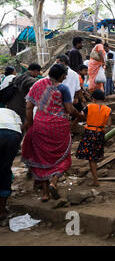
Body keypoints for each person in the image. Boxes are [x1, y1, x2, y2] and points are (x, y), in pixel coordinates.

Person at [21, 64, 84, 202]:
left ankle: (45, 194)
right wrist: (80, 116)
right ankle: (53, 182)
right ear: (61, 76)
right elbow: (70, 109)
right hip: (58, 127)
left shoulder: (38, 85)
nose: (66, 77)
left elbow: (29, 106)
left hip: (40, 125)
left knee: (42, 158)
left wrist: (29, 124)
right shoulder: (63, 88)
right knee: (62, 156)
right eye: (65, 75)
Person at [75, 89, 111, 187]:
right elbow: (109, 124)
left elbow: (80, 116)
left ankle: (95, 180)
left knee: (91, 158)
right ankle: (96, 178)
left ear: (93, 99)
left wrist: (73, 124)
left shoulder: (89, 106)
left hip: (89, 133)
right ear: (103, 99)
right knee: (95, 156)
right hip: (100, 133)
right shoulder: (107, 109)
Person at [0, 108, 22, 221]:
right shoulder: (12, 112)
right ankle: (2, 210)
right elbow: (21, 127)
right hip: (13, 134)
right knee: (5, 169)